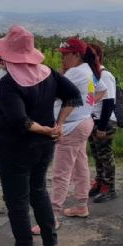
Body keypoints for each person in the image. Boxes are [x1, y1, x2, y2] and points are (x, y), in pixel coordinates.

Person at [0, 26, 82, 246]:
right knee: (38, 191)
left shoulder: (9, 83)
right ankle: (50, 245)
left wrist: (47, 128)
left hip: (14, 148)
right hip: (43, 148)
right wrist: (57, 125)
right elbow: (74, 96)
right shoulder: (48, 73)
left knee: (17, 201)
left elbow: (19, 121)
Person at [46, 38, 106, 222]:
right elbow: (101, 90)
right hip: (83, 122)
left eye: (65, 55)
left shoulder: (75, 73)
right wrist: (87, 105)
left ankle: (53, 216)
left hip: (72, 126)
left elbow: (52, 93)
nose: (62, 58)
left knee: (61, 172)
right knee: (80, 166)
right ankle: (81, 205)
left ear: (77, 55)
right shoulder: (88, 70)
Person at [87, 43, 118, 203]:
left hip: (104, 122)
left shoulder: (104, 75)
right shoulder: (93, 74)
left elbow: (109, 102)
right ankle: (100, 181)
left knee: (105, 155)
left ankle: (109, 187)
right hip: (94, 119)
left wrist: (102, 126)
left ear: (98, 56)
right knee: (97, 154)